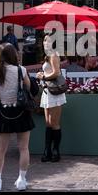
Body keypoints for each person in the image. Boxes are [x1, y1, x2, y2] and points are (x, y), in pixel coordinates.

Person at [0, 43, 34, 191]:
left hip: (3, 114)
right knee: (24, 148)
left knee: (0, 150)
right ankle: (21, 180)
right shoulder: (21, 70)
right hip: (21, 113)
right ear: (13, 55)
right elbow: (29, 87)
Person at [36, 35, 66, 163]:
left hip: (55, 91)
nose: (45, 43)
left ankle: (55, 151)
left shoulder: (54, 55)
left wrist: (43, 76)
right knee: (48, 122)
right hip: (47, 91)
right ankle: (47, 150)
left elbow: (56, 72)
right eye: (44, 40)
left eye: (48, 40)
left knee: (54, 122)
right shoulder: (47, 56)